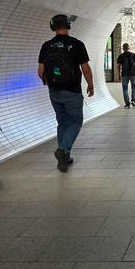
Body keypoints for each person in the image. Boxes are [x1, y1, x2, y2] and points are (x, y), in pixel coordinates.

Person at [38, 14, 94, 172]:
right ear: (68, 25)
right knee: (75, 122)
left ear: (52, 26)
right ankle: (63, 149)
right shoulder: (77, 44)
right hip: (73, 90)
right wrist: (90, 85)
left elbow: (40, 71)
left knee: (62, 122)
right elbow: (86, 69)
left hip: (54, 92)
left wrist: (50, 85)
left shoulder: (46, 46)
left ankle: (65, 158)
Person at [116, 43, 135, 108]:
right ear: (128, 48)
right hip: (133, 74)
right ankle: (133, 101)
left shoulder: (121, 56)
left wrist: (119, 75)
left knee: (125, 89)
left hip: (124, 74)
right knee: (134, 87)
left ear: (123, 48)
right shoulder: (133, 55)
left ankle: (127, 104)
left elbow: (118, 66)